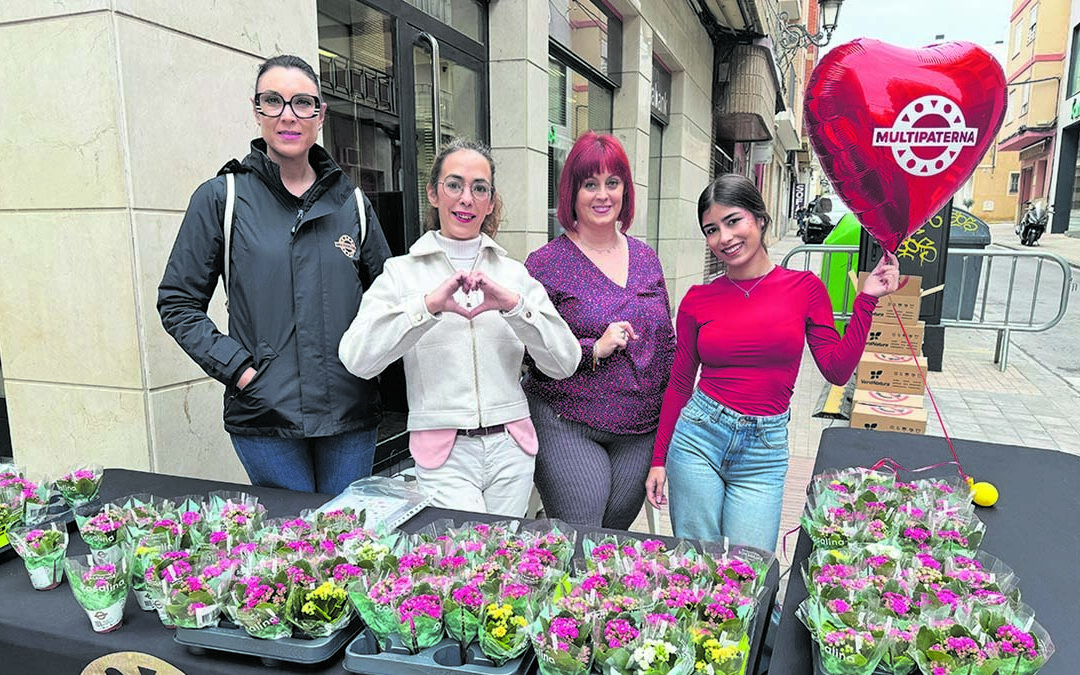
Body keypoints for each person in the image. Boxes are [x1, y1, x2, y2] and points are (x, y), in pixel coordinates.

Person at [158, 54, 392, 494]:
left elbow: (389, 297)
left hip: (349, 413)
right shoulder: (221, 198)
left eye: (303, 103)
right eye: (274, 101)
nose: (288, 115)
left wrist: (371, 366)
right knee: (294, 550)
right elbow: (178, 302)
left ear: (320, 115)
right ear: (257, 109)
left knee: (346, 545)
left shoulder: (351, 203)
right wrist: (240, 370)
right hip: (265, 415)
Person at [645, 174, 900, 551]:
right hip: (698, 438)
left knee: (751, 564)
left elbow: (836, 369)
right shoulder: (698, 299)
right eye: (711, 230)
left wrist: (867, 300)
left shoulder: (806, 289)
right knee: (698, 562)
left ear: (760, 219)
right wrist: (659, 459)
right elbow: (681, 382)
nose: (724, 238)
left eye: (734, 221)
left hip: (763, 449)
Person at [338, 139, 579, 517]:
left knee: (503, 560)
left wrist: (515, 307)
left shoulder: (514, 274)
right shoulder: (401, 274)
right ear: (433, 193)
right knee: (467, 563)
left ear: (490, 200)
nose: (466, 198)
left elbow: (565, 362)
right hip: (443, 451)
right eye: (454, 184)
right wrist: (426, 307)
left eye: (479, 188)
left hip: (511, 448)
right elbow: (357, 358)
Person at [523, 132, 677, 529]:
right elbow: (530, 353)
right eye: (590, 184)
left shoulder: (646, 257)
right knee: (582, 534)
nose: (602, 195)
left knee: (611, 540)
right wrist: (592, 347)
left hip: (640, 428)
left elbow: (667, 342)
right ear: (572, 192)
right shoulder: (546, 264)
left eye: (613, 183)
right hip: (569, 420)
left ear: (625, 189)